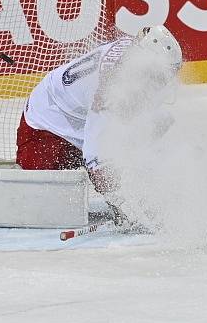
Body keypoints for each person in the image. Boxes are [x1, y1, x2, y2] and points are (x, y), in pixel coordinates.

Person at [16, 25, 183, 227]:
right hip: (47, 127)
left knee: (154, 130)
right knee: (39, 205)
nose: (165, 81)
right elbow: (95, 159)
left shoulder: (133, 56)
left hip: (79, 115)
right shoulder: (109, 92)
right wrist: (122, 205)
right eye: (162, 75)